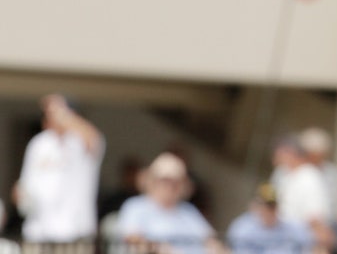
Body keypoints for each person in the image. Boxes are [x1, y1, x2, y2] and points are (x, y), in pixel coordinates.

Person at [12, 95, 103, 247]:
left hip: (74, 233)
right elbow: (26, 183)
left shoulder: (80, 139)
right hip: (38, 232)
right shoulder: (39, 143)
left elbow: (94, 139)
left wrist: (63, 112)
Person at [117, 153, 218, 254]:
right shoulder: (136, 207)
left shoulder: (189, 211)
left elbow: (211, 241)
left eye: (176, 181)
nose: (170, 186)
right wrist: (160, 249)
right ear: (152, 181)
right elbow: (133, 239)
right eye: (165, 180)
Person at [227, 183, 315, 254]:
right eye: (264, 206)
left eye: (272, 207)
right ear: (255, 206)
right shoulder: (242, 228)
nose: (268, 211)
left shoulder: (293, 228)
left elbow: (315, 247)